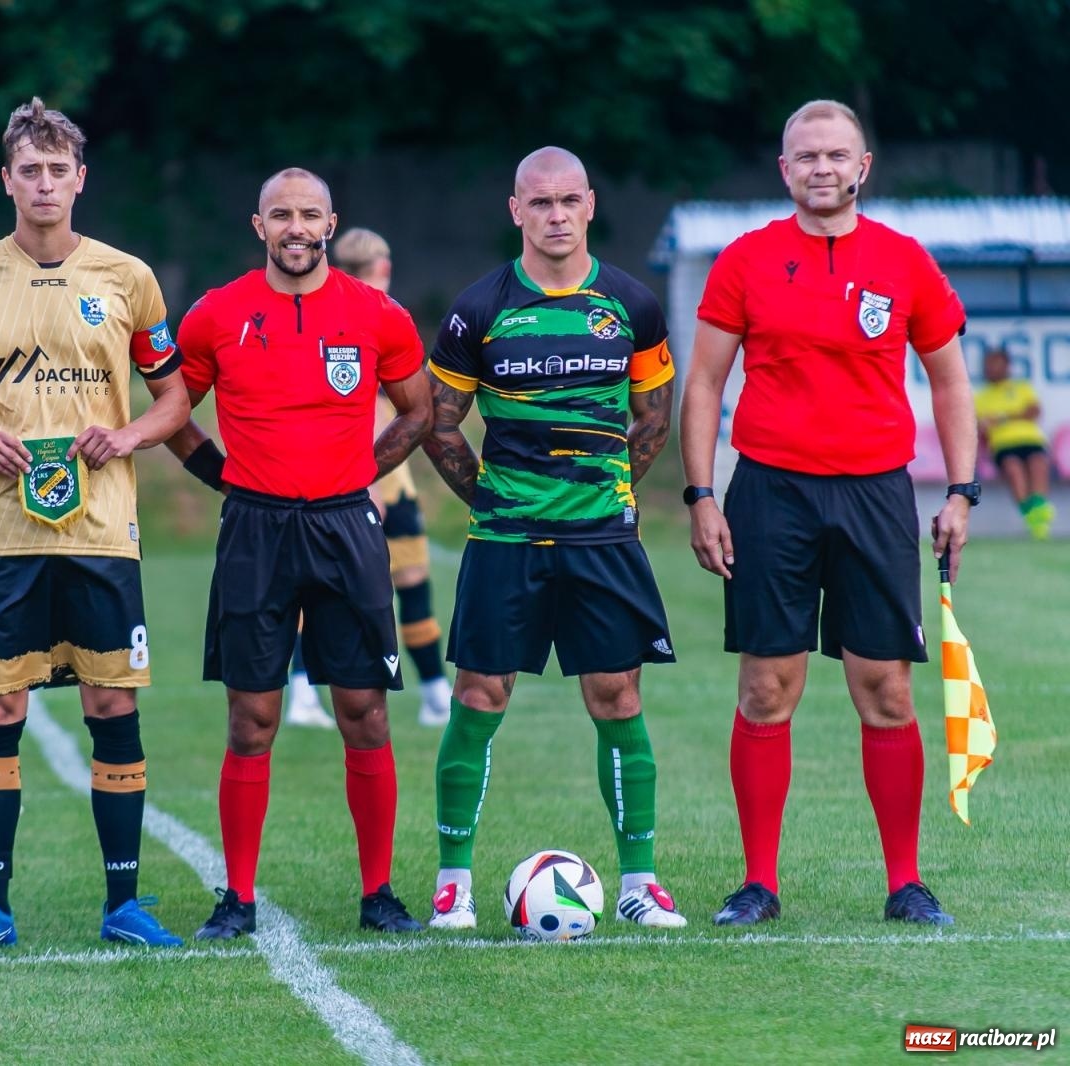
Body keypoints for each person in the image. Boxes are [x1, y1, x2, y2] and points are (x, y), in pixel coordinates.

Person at [0, 98, 191, 951]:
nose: (46, 183)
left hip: (101, 530)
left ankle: (124, 905)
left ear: (81, 180)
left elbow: (172, 395)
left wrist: (129, 434)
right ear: (8, 181)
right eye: (31, 170)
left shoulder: (126, 278)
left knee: (111, 700)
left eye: (60, 170)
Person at [680, 99, 976, 927]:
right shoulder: (744, 260)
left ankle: (906, 883)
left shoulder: (904, 261)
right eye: (805, 156)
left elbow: (950, 380)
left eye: (835, 154)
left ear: (863, 166)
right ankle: (758, 884)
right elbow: (703, 383)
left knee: (885, 689)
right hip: (771, 492)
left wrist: (960, 489)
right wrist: (702, 494)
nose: (821, 167)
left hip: (878, 493)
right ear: (784, 170)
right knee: (767, 687)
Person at [420, 147, 686, 932]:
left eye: (569, 200)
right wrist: (497, 500)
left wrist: (610, 496)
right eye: (540, 203)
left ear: (591, 205)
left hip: (601, 543)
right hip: (506, 541)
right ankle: (452, 882)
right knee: (478, 695)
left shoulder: (632, 304)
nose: (556, 215)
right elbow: (440, 425)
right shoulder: (479, 308)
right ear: (516, 212)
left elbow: (654, 416)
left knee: (618, 696)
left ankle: (640, 881)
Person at [167, 168, 433, 940]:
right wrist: (221, 475)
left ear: (329, 224)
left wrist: (362, 473)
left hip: (347, 527)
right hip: (254, 529)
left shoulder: (376, 314)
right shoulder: (217, 314)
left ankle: (378, 892)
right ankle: (237, 898)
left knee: (365, 713)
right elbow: (173, 411)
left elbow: (420, 410)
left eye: (308, 215)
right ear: (259, 226)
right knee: (252, 718)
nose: (294, 227)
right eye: (280, 214)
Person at [283, 227, 453, 730]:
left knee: (317, 590)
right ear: (382, 268)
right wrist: (372, 479)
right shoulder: (376, 319)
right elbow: (377, 410)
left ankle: (307, 695)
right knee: (405, 585)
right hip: (372, 478)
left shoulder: (322, 312)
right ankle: (432, 693)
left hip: (337, 476)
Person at [975, 345, 1055, 540]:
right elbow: (980, 428)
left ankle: (1038, 509)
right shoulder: (980, 396)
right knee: (1013, 469)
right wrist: (1014, 416)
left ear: (1007, 366)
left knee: (1039, 463)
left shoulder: (1021, 387)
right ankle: (1032, 515)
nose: (992, 368)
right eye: (989, 364)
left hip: (1031, 439)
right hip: (1003, 444)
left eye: (996, 364)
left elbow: (1034, 412)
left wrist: (1001, 418)